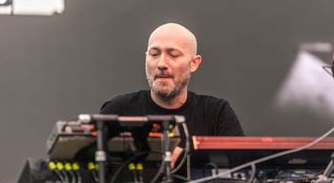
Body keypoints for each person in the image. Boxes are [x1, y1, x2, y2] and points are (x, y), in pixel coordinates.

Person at [100, 22, 244, 142]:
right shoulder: (119, 111)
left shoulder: (216, 113)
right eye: (154, 54)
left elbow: (243, 169)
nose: (161, 63)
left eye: (173, 55)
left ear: (194, 63)